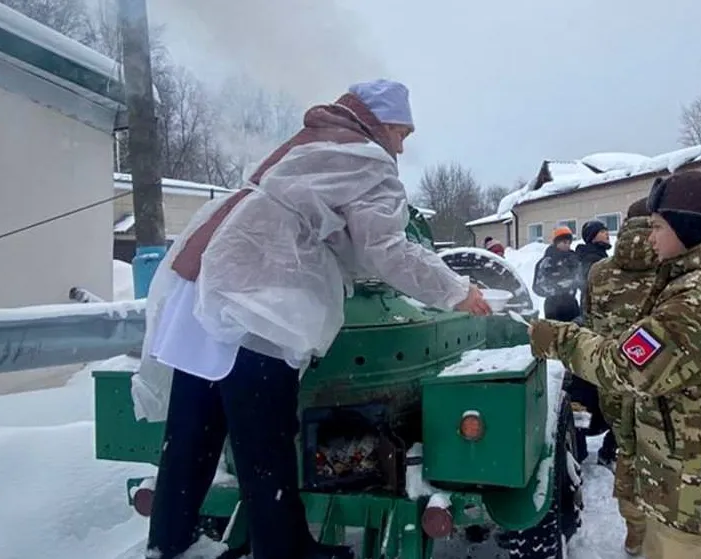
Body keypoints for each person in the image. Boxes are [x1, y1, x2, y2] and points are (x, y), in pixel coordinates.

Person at [134, 79, 491, 559]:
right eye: (402, 132)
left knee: (193, 431)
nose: (402, 146)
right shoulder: (368, 160)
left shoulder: (308, 144)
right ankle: (283, 550)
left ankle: (169, 543)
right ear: (380, 123)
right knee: (265, 440)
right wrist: (457, 290)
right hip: (261, 298)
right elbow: (386, 249)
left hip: (199, 281)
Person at [528, 171, 701, 559]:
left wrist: (558, 338)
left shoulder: (698, 300)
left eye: (658, 226)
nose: (649, 237)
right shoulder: (690, 282)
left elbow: (624, 367)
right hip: (688, 481)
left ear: (687, 228)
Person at [580, 198, 659, 555]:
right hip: (662, 382)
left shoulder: (599, 271)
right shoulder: (674, 265)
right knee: (665, 454)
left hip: (613, 379)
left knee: (627, 450)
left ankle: (635, 529)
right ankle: (664, 532)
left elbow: (589, 321)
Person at [569, 219, 617, 467]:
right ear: (592, 237)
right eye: (602, 232)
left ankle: (582, 447)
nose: (607, 235)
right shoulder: (593, 260)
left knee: (586, 391)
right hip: (596, 330)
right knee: (589, 393)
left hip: (593, 329)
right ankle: (584, 447)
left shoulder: (597, 257)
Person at [532, 226, 582, 321]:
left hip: (572, 304)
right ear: (556, 243)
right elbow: (537, 287)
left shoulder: (573, 259)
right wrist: (557, 288)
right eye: (564, 242)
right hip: (553, 307)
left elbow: (580, 279)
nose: (567, 245)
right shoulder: (547, 262)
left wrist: (574, 283)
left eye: (569, 243)